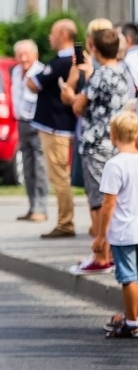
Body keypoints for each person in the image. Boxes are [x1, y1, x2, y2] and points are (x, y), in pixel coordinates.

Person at [67, 29, 128, 273]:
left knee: (98, 200)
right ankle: (112, 252)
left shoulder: (100, 75)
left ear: (93, 48)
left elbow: (79, 106)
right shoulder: (123, 73)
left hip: (95, 143)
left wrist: (71, 95)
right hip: (116, 142)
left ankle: (101, 255)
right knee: (115, 198)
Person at [28, 19, 79, 238]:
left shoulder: (62, 61)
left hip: (56, 127)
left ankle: (65, 223)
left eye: (52, 33)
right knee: (59, 175)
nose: (49, 37)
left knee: (59, 177)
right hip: (56, 126)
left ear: (63, 35)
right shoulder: (69, 60)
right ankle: (65, 220)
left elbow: (34, 83)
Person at [99, 110, 138, 337]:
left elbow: (108, 203)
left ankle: (132, 322)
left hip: (124, 231)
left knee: (129, 277)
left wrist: (101, 236)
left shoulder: (114, 165)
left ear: (112, 135)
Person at [11, 38, 48, 222]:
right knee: (27, 166)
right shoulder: (16, 71)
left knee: (40, 167)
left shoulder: (41, 72)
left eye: (27, 54)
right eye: (20, 55)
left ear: (35, 55)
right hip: (22, 122)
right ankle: (32, 205)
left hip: (38, 123)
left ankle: (41, 208)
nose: (23, 58)